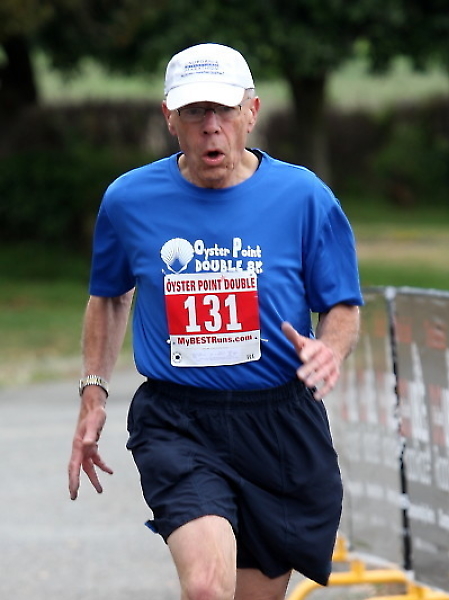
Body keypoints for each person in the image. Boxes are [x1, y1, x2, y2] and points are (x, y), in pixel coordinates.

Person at [68, 42, 363, 600]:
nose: (211, 127)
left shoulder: (304, 197)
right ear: (169, 118)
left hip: (279, 424)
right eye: (194, 112)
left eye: (224, 110)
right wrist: (93, 392)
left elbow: (343, 305)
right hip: (178, 420)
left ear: (252, 112)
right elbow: (109, 297)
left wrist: (330, 349)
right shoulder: (129, 200)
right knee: (206, 585)